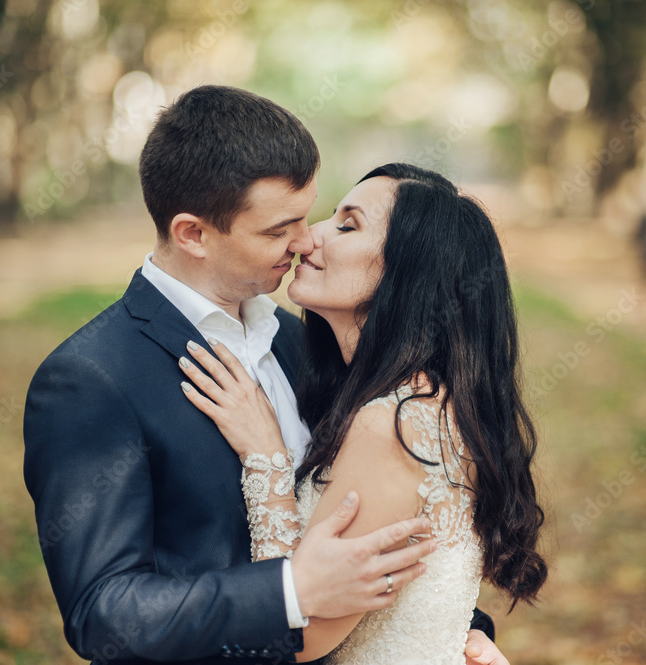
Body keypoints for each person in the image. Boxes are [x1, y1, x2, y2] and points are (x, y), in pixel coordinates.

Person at [23, 86, 507, 664]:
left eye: (312, 217)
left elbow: (389, 525)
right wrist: (291, 593)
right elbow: (104, 615)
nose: (306, 242)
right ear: (193, 234)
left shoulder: (309, 342)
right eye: (280, 230)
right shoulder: (92, 378)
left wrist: (454, 633)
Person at [179, 163, 548, 663]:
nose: (308, 240)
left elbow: (302, 636)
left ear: (407, 273)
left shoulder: (394, 425)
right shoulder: (427, 400)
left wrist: (266, 458)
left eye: (347, 225)